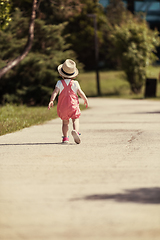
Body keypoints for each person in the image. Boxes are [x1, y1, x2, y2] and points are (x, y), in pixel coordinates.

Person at [48, 59, 88, 144]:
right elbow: (80, 93)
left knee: (65, 123)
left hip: (63, 107)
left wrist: (51, 100)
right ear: (74, 75)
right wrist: (85, 99)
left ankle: (65, 138)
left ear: (61, 74)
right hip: (73, 106)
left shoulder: (59, 83)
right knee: (75, 119)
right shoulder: (75, 83)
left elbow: (55, 92)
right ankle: (76, 132)